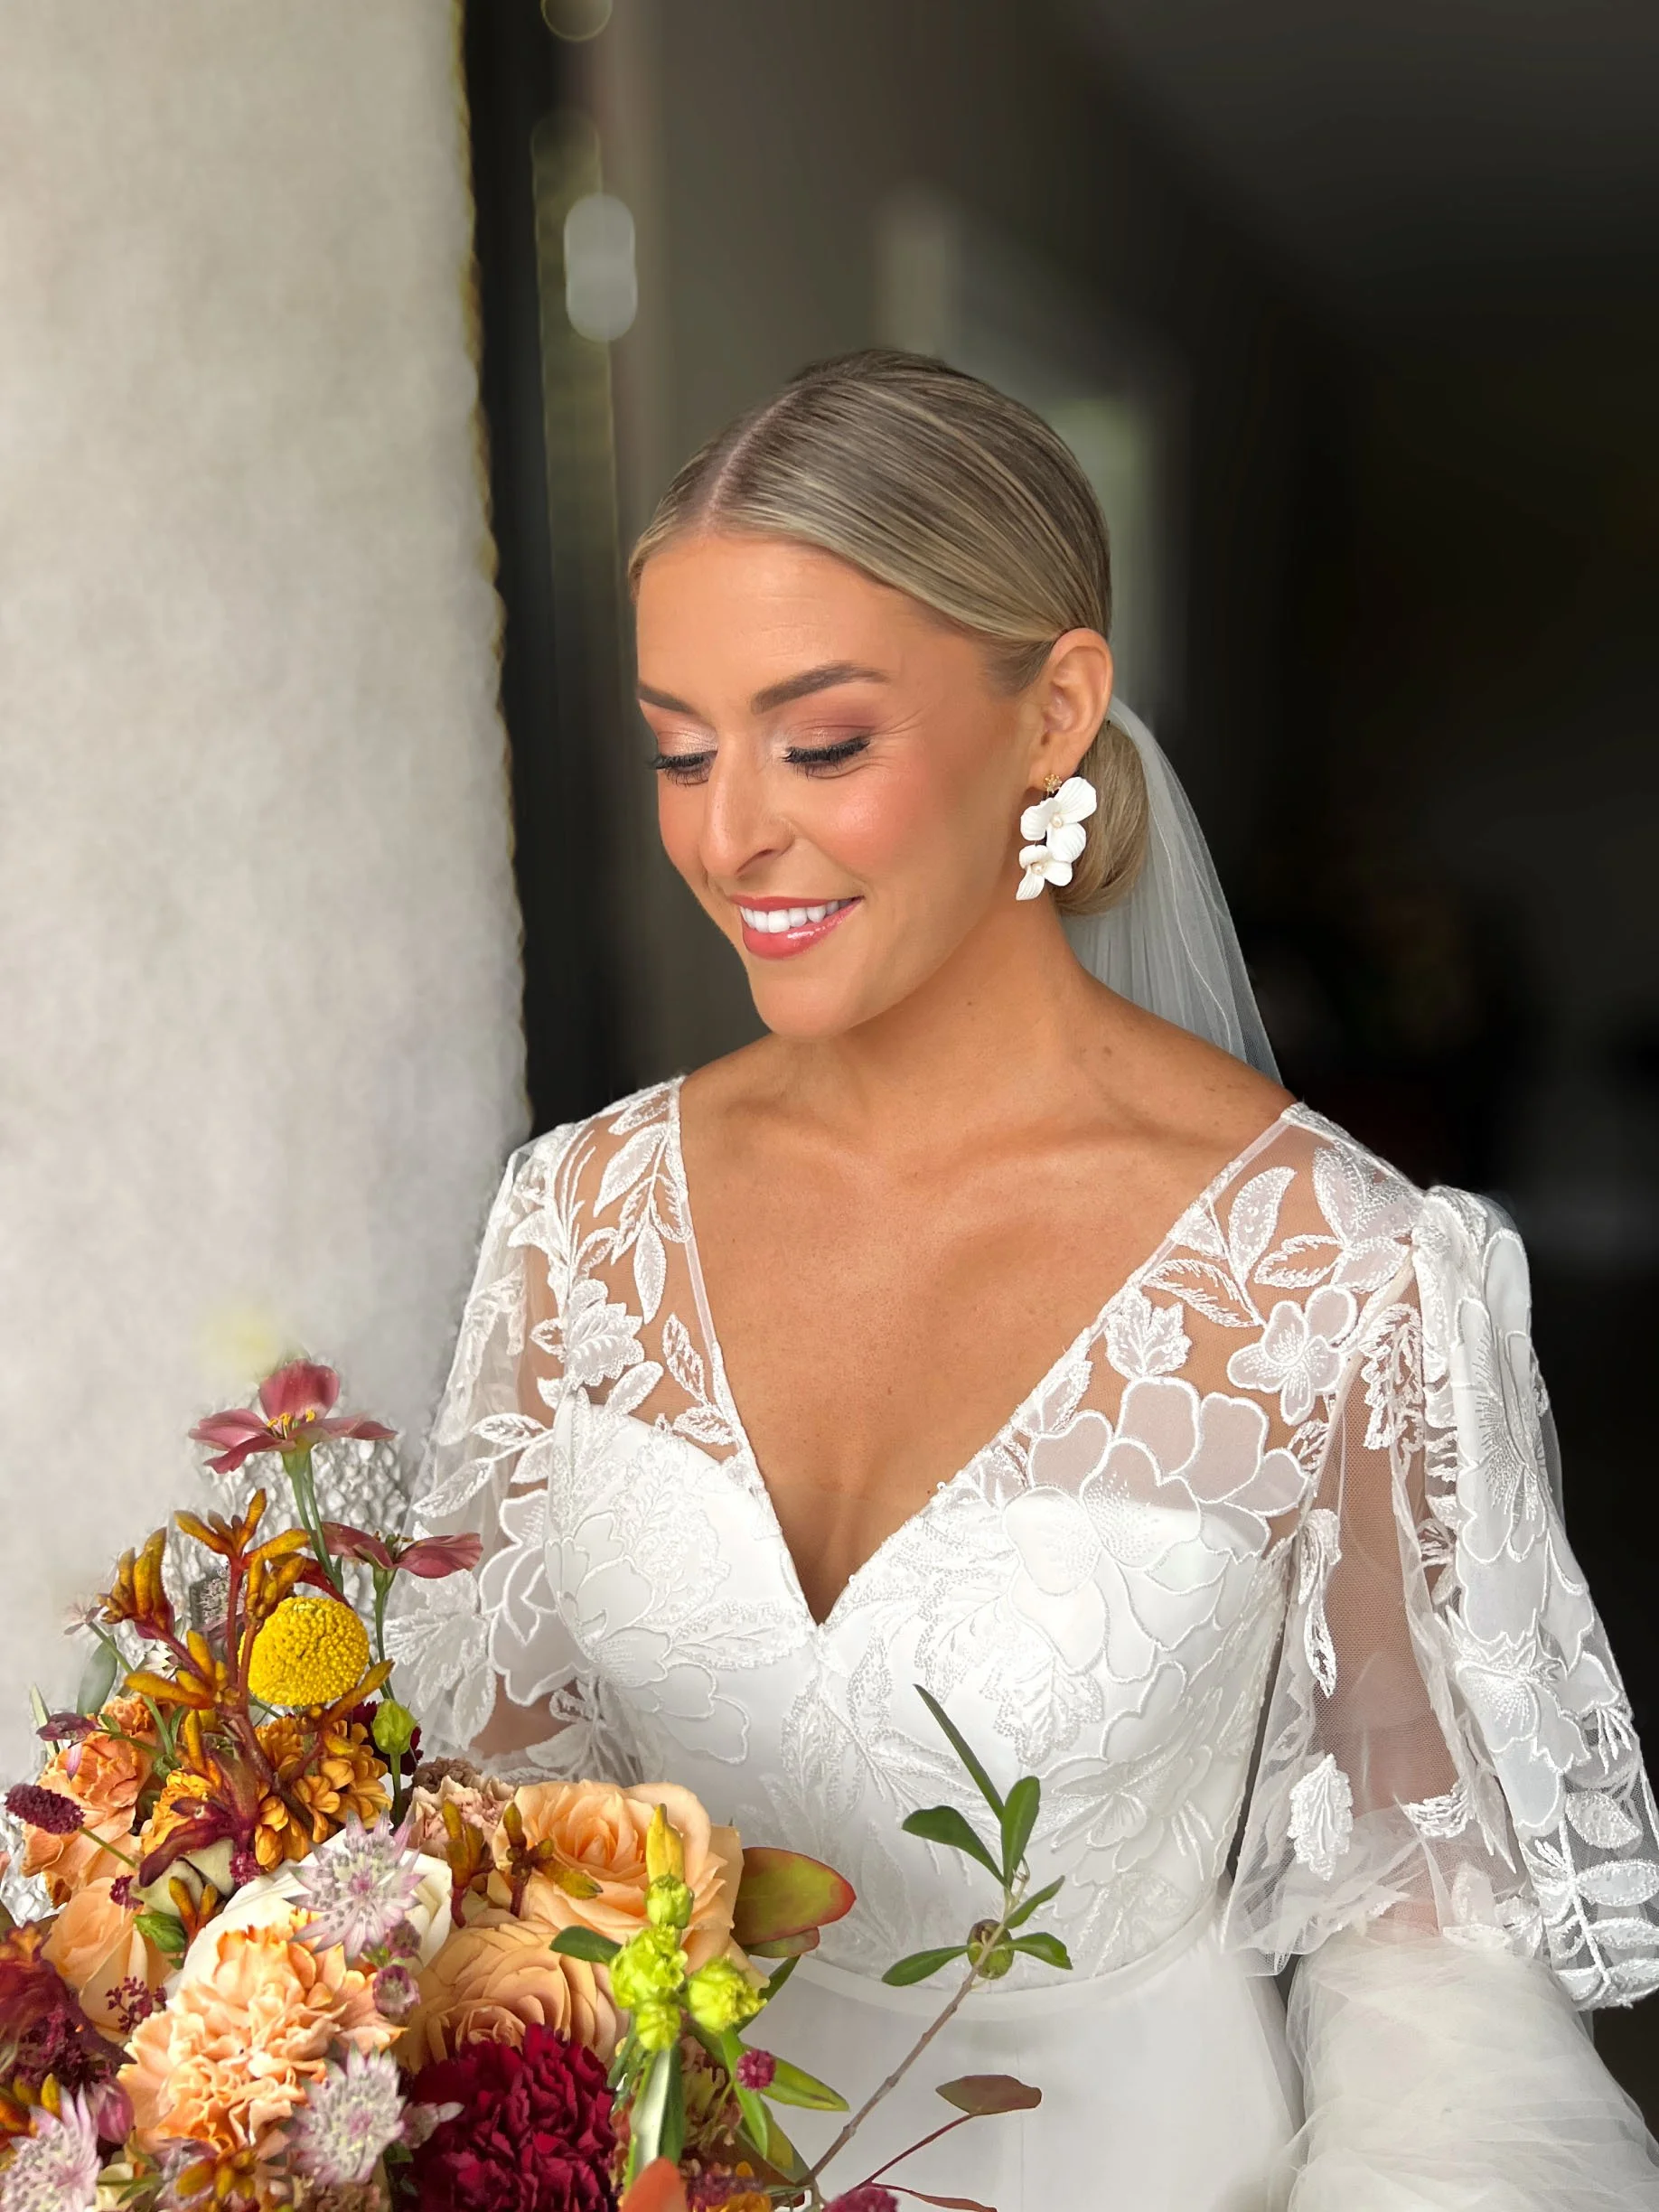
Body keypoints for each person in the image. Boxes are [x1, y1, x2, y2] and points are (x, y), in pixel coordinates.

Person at [398, 351, 1659, 2207]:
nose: (730, 832)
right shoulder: (576, 1217)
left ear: (1055, 710)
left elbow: (1428, 1935)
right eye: (683, 746)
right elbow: (485, 1829)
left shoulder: (1349, 1273)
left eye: (820, 741)